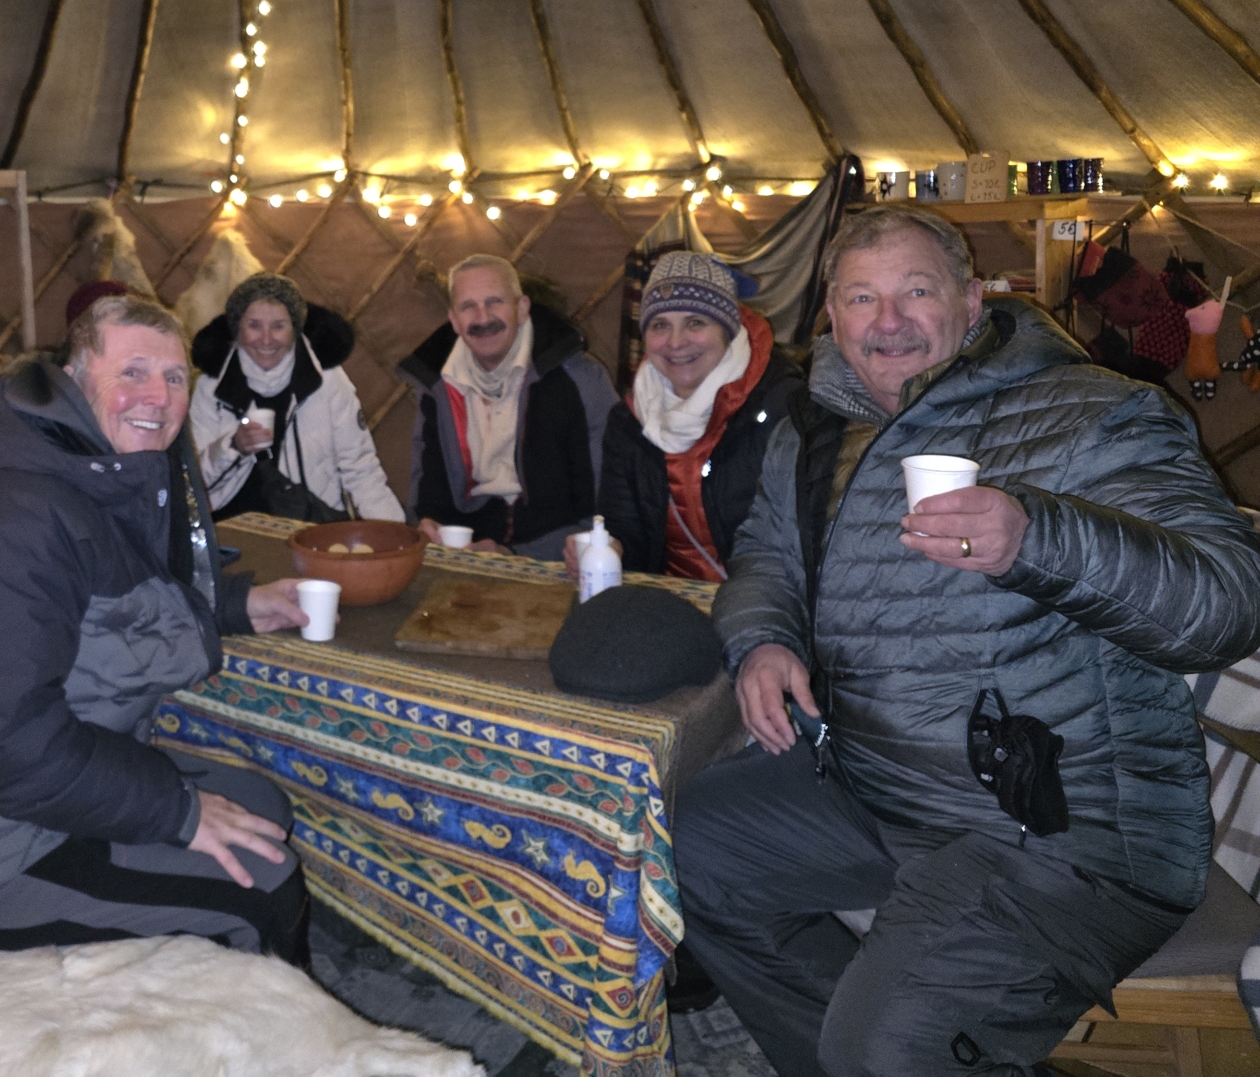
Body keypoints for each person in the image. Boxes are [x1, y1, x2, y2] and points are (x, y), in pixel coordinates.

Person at [674, 203, 1260, 1077]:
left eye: (916, 291)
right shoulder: (814, 430)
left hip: (1062, 828)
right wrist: (762, 639)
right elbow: (766, 559)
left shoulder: (1094, 413)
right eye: (862, 298)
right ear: (832, 315)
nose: (889, 321)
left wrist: (1037, 540)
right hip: (879, 789)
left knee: (885, 1046)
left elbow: (1228, 604)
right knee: (689, 845)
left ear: (973, 300)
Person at [0, 293, 314, 960]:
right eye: (132, 372)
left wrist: (239, 607)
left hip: (28, 800)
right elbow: (3, 749)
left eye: (174, 376)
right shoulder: (7, 516)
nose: (158, 396)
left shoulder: (81, 472)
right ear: (72, 380)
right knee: (265, 885)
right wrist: (179, 813)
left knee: (258, 805)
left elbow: (104, 603)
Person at [581, 251, 803, 581]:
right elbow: (625, 530)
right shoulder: (629, 422)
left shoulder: (784, 408)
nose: (676, 342)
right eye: (660, 325)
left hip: (765, 598)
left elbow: (800, 542)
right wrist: (609, 550)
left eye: (695, 323)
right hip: (666, 598)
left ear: (728, 330)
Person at [398, 254, 615, 558]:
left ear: (522, 308)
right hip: (469, 552)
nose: (483, 318)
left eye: (495, 302)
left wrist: (515, 555)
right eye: (468, 306)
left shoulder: (579, 380)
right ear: (454, 320)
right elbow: (427, 488)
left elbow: (605, 502)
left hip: (557, 555)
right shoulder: (437, 385)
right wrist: (428, 523)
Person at [188, 272, 403, 523]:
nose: (266, 339)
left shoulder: (325, 382)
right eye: (254, 325)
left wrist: (394, 532)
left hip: (311, 526)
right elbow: (192, 479)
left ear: (295, 328)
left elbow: (361, 469)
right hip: (232, 527)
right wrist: (233, 446)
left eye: (278, 326)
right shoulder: (213, 388)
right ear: (237, 328)